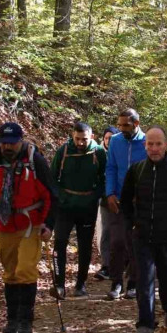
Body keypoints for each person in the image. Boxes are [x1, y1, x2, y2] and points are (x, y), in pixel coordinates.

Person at [0, 122, 57, 333]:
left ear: (20, 141)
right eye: (3, 143)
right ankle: (12, 320)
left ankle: (26, 323)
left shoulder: (35, 160)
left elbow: (51, 195)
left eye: (11, 143)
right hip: (4, 223)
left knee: (26, 270)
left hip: (31, 224)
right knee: (9, 272)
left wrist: (48, 224)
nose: (7, 147)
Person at [120, 126, 167, 333]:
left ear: (165, 145)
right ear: (145, 145)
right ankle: (145, 323)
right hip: (142, 236)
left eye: (158, 144)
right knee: (144, 281)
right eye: (150, 144)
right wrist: (132, 224)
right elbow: (125, 201)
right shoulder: (136, 170)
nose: (154, 148)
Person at [49, 122, 106, 299]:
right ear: (73, 136)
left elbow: (105, 178)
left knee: (85, 246)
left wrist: (94, 196)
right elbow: (52, 177)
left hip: (87, 207)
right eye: (78, 139)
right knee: (59, 244)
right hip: (65, 207)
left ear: (92, 137)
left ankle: (80, 285)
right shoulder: (64, 151)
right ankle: (59, 285)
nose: (81, 143)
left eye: (84, 139)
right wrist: (60, 197)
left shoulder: (99, 152)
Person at [104, 108, 146, 300]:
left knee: (136, 242)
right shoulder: (115, 141)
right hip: (118, 200)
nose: (121, 128)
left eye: (125, 125)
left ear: (136, 124)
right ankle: (116, 282)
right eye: (119, 124)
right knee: (117, 241)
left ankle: (133, 283)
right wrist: (109, 193)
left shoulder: (147, 142)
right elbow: (111, 167)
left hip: (140, 202)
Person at [94, 126, 119, 281]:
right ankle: (106, 265)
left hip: (122, 196)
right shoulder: (97, 153)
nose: (109, 140)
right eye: (107, 137)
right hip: (104, 198)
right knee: (106, 231)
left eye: (112, 137)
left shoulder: (121, 151)